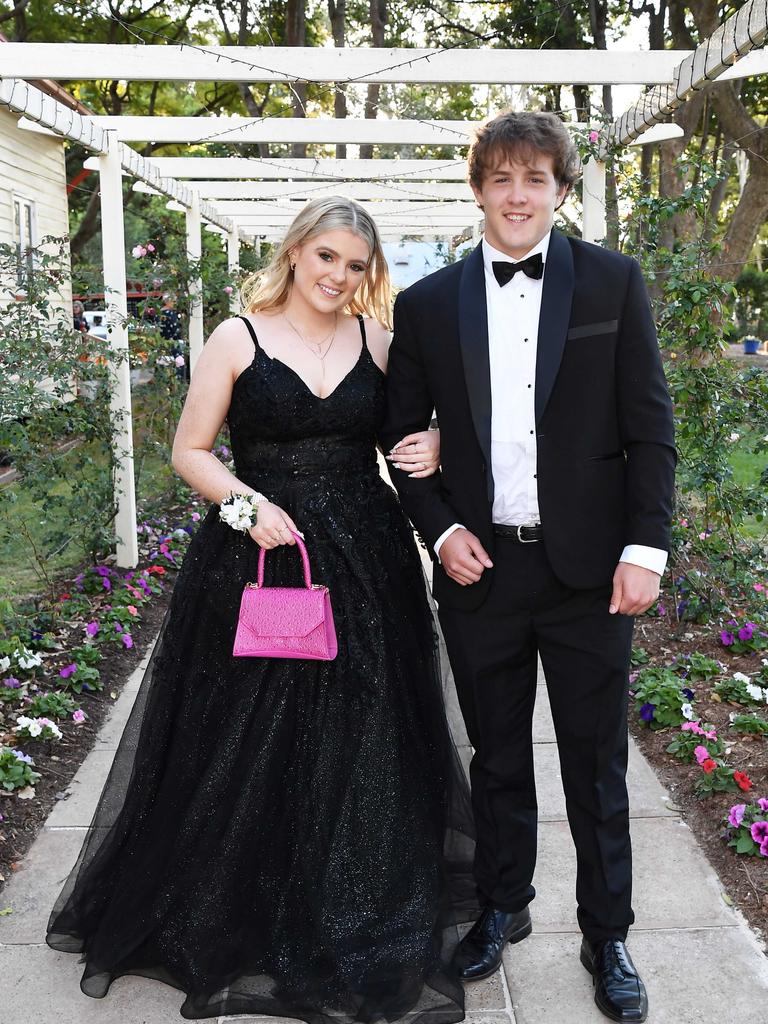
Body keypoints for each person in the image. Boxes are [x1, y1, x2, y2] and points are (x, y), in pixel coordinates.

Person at [46, 197, 478, 1023]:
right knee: (247, 729)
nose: (338, 277)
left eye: (356, 265)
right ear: (295, 253)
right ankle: (234, 902)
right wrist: (248, 509)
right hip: (256, 558)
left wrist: (443, 443)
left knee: (360, 730)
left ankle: (344, 896)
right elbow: (189, 450)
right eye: (326, 258)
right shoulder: (236, 336)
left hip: (364, 563)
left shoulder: (377, 341)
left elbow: (426, 427)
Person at [381, 111, 676, 1024]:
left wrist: (645, 548)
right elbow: (401, 443)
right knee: (500, 758)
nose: (518, 196)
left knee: (595, 766)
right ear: (478, 188)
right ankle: (503, 904)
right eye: (502, 179)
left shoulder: (613, 284)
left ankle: (609, 930)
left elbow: (650, 429)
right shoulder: (426, 305)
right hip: (483, 574)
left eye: (536, 180)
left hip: (591, 575)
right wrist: (439, 530)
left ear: (561, 190)